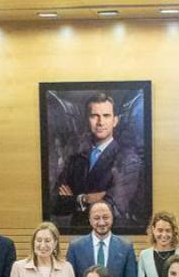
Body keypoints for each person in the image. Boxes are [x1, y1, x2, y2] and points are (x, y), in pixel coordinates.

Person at [51, 92, 144, 227]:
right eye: (94, 116)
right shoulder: (76, 159)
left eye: (106, 116)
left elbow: (113, 207)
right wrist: (85, 199)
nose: (100, 122)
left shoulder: (129, 159)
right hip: (77, 235)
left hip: (111, 234)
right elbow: (54, 203)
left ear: (115, 121)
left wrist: (73, 199)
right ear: (87, 120)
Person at [65, 201, 137, 277]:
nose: (102, 222)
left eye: (106, 217)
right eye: (96, 218)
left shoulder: (126, 247)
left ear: (112, 218)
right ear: (89, 220)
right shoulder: (75, 247)